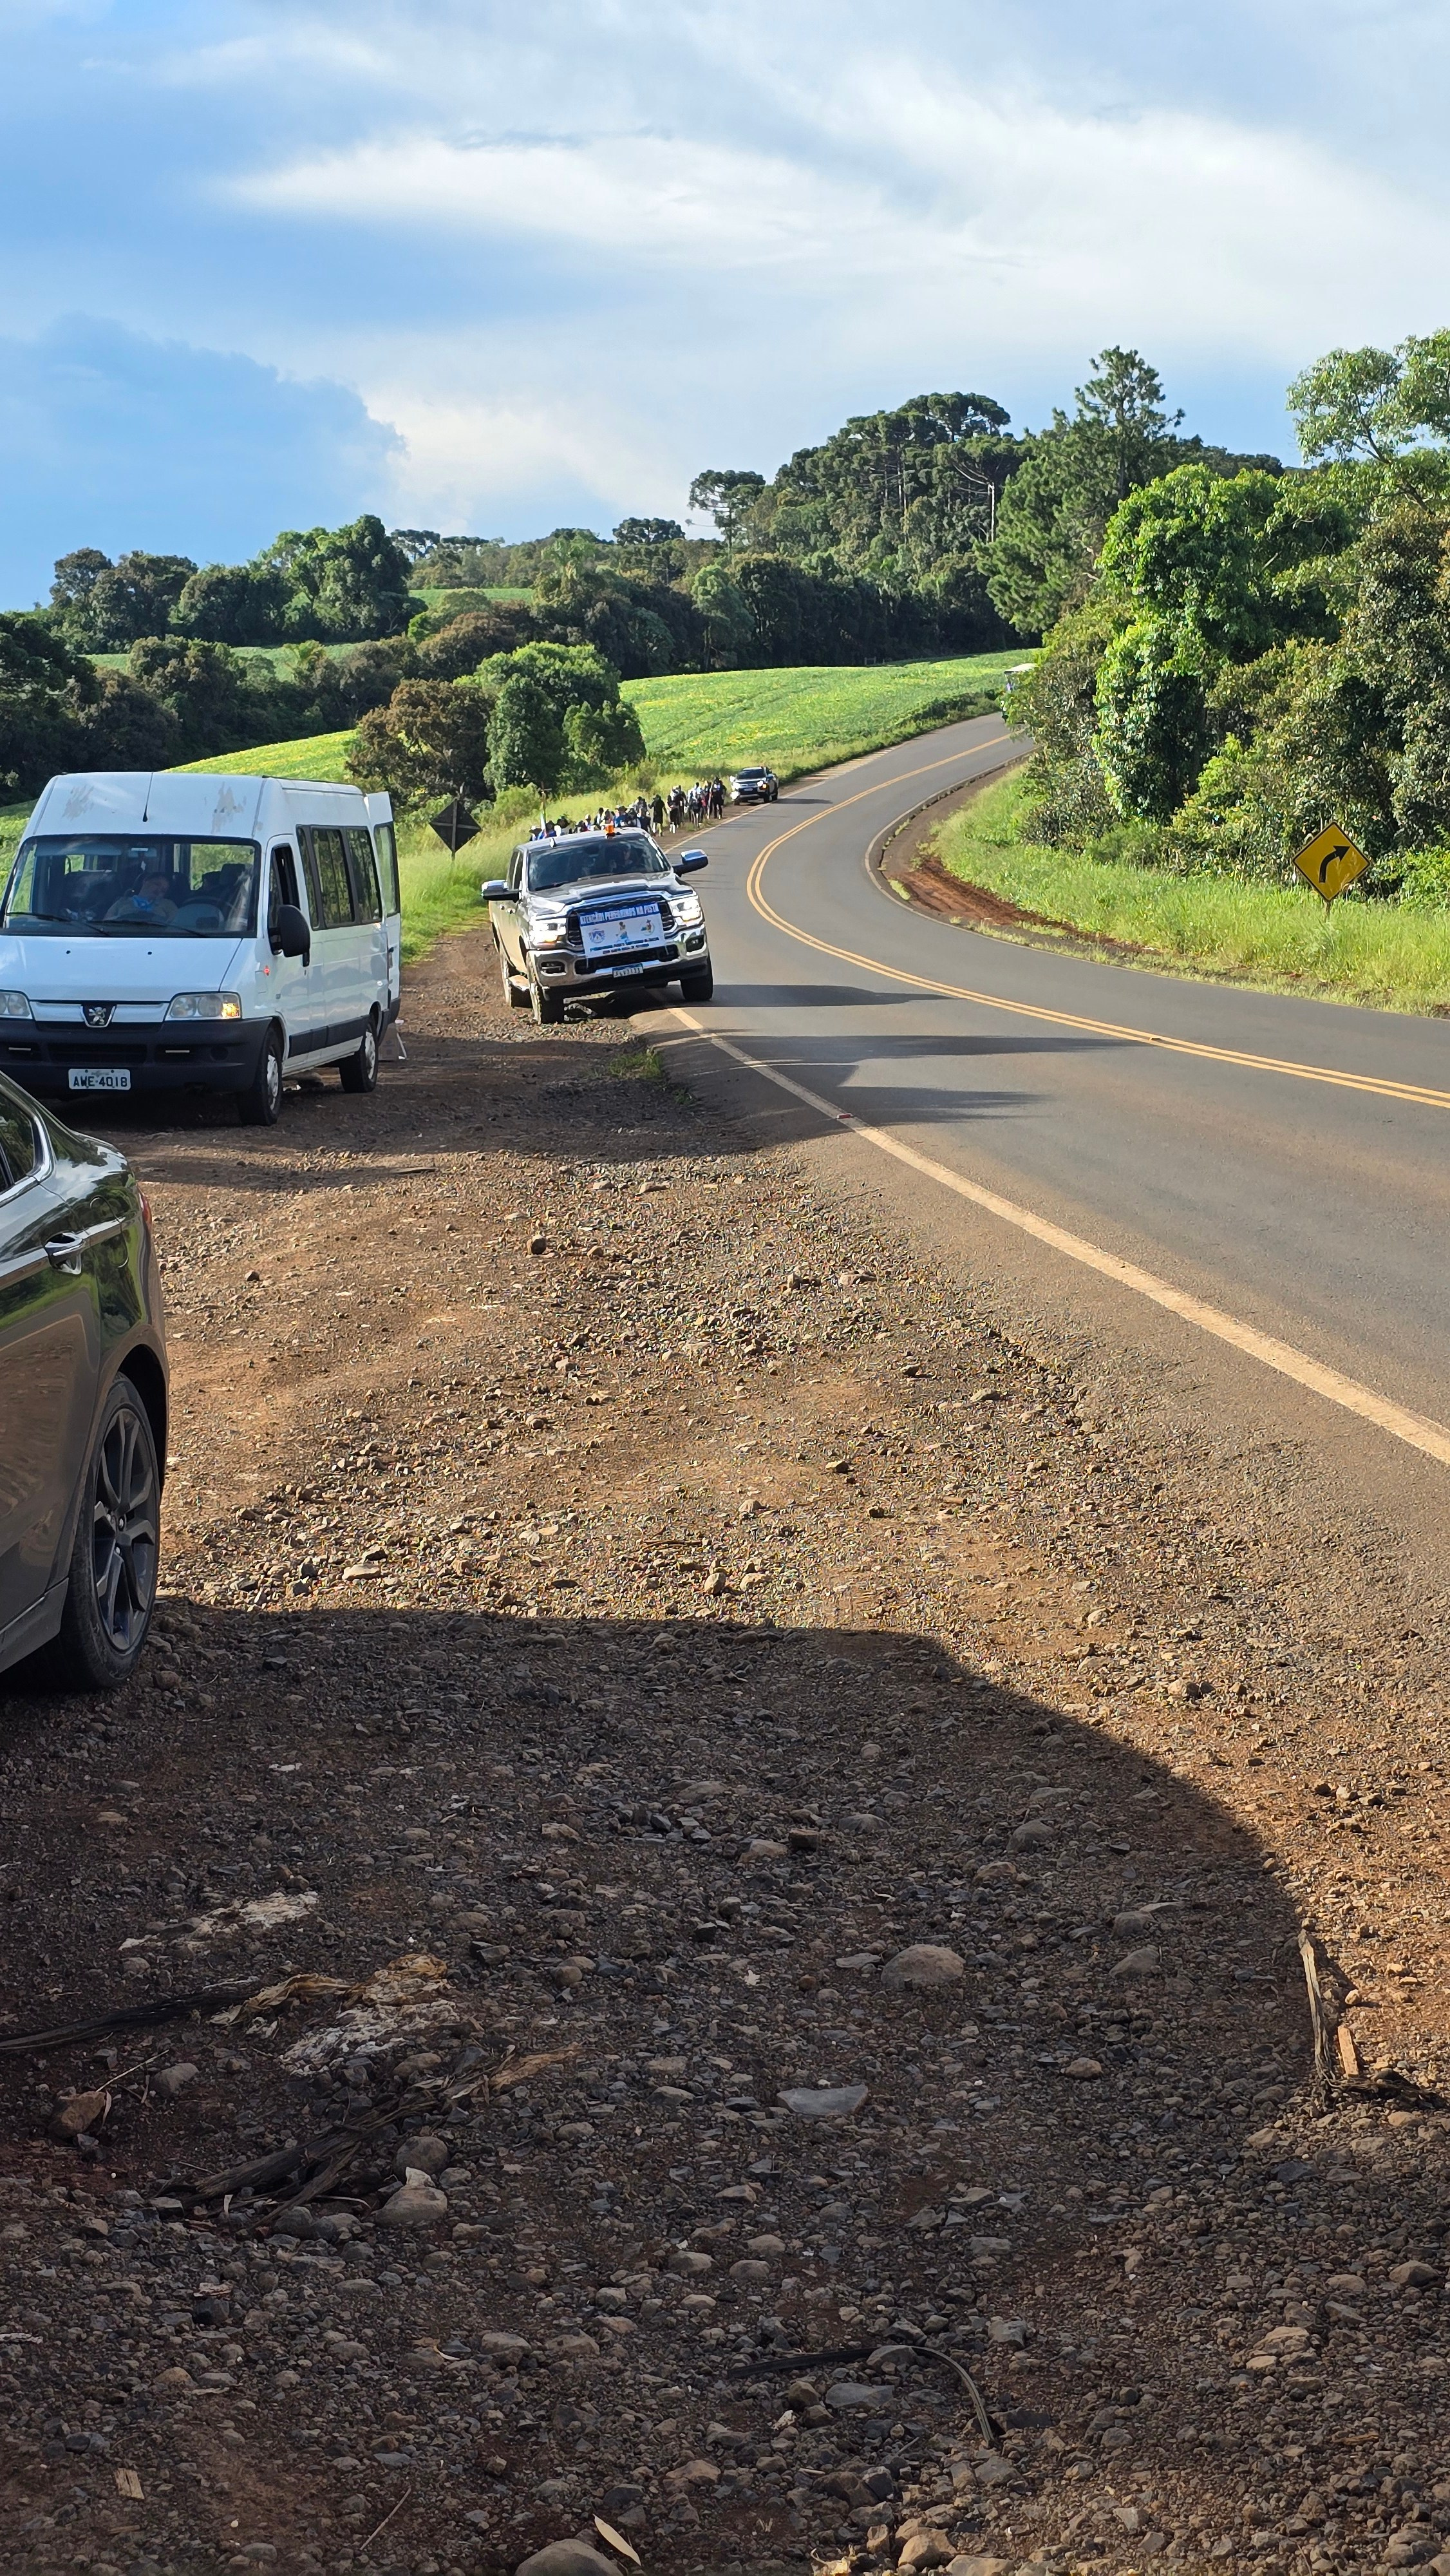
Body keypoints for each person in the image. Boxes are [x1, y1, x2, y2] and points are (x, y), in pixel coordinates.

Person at [105, 865, 176, 924]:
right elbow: (106, 924)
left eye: (163, 891)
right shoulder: (122, 902)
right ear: (145, 881)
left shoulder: (168, 905)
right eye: (157, 884)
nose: (158, 890)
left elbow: (174, 927)